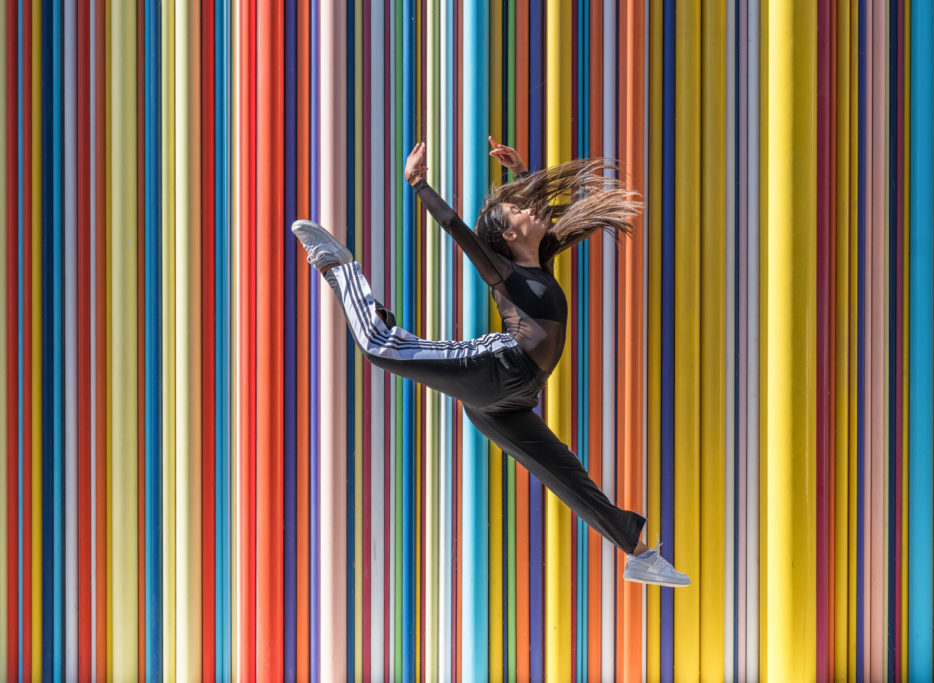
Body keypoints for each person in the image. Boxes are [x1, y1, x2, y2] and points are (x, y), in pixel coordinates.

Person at [291, 136, 689, 588]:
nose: (533, 211)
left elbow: (535, 216)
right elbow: (460, 231)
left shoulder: (537, 266)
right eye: (521, 212)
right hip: (500, 368)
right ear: (508, 235)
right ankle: (338, 267)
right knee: (380, 345)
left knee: (564, 475)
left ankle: (638, 554)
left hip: (514, 397)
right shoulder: (504, 273)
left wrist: (522, 175)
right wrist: (419, 184)